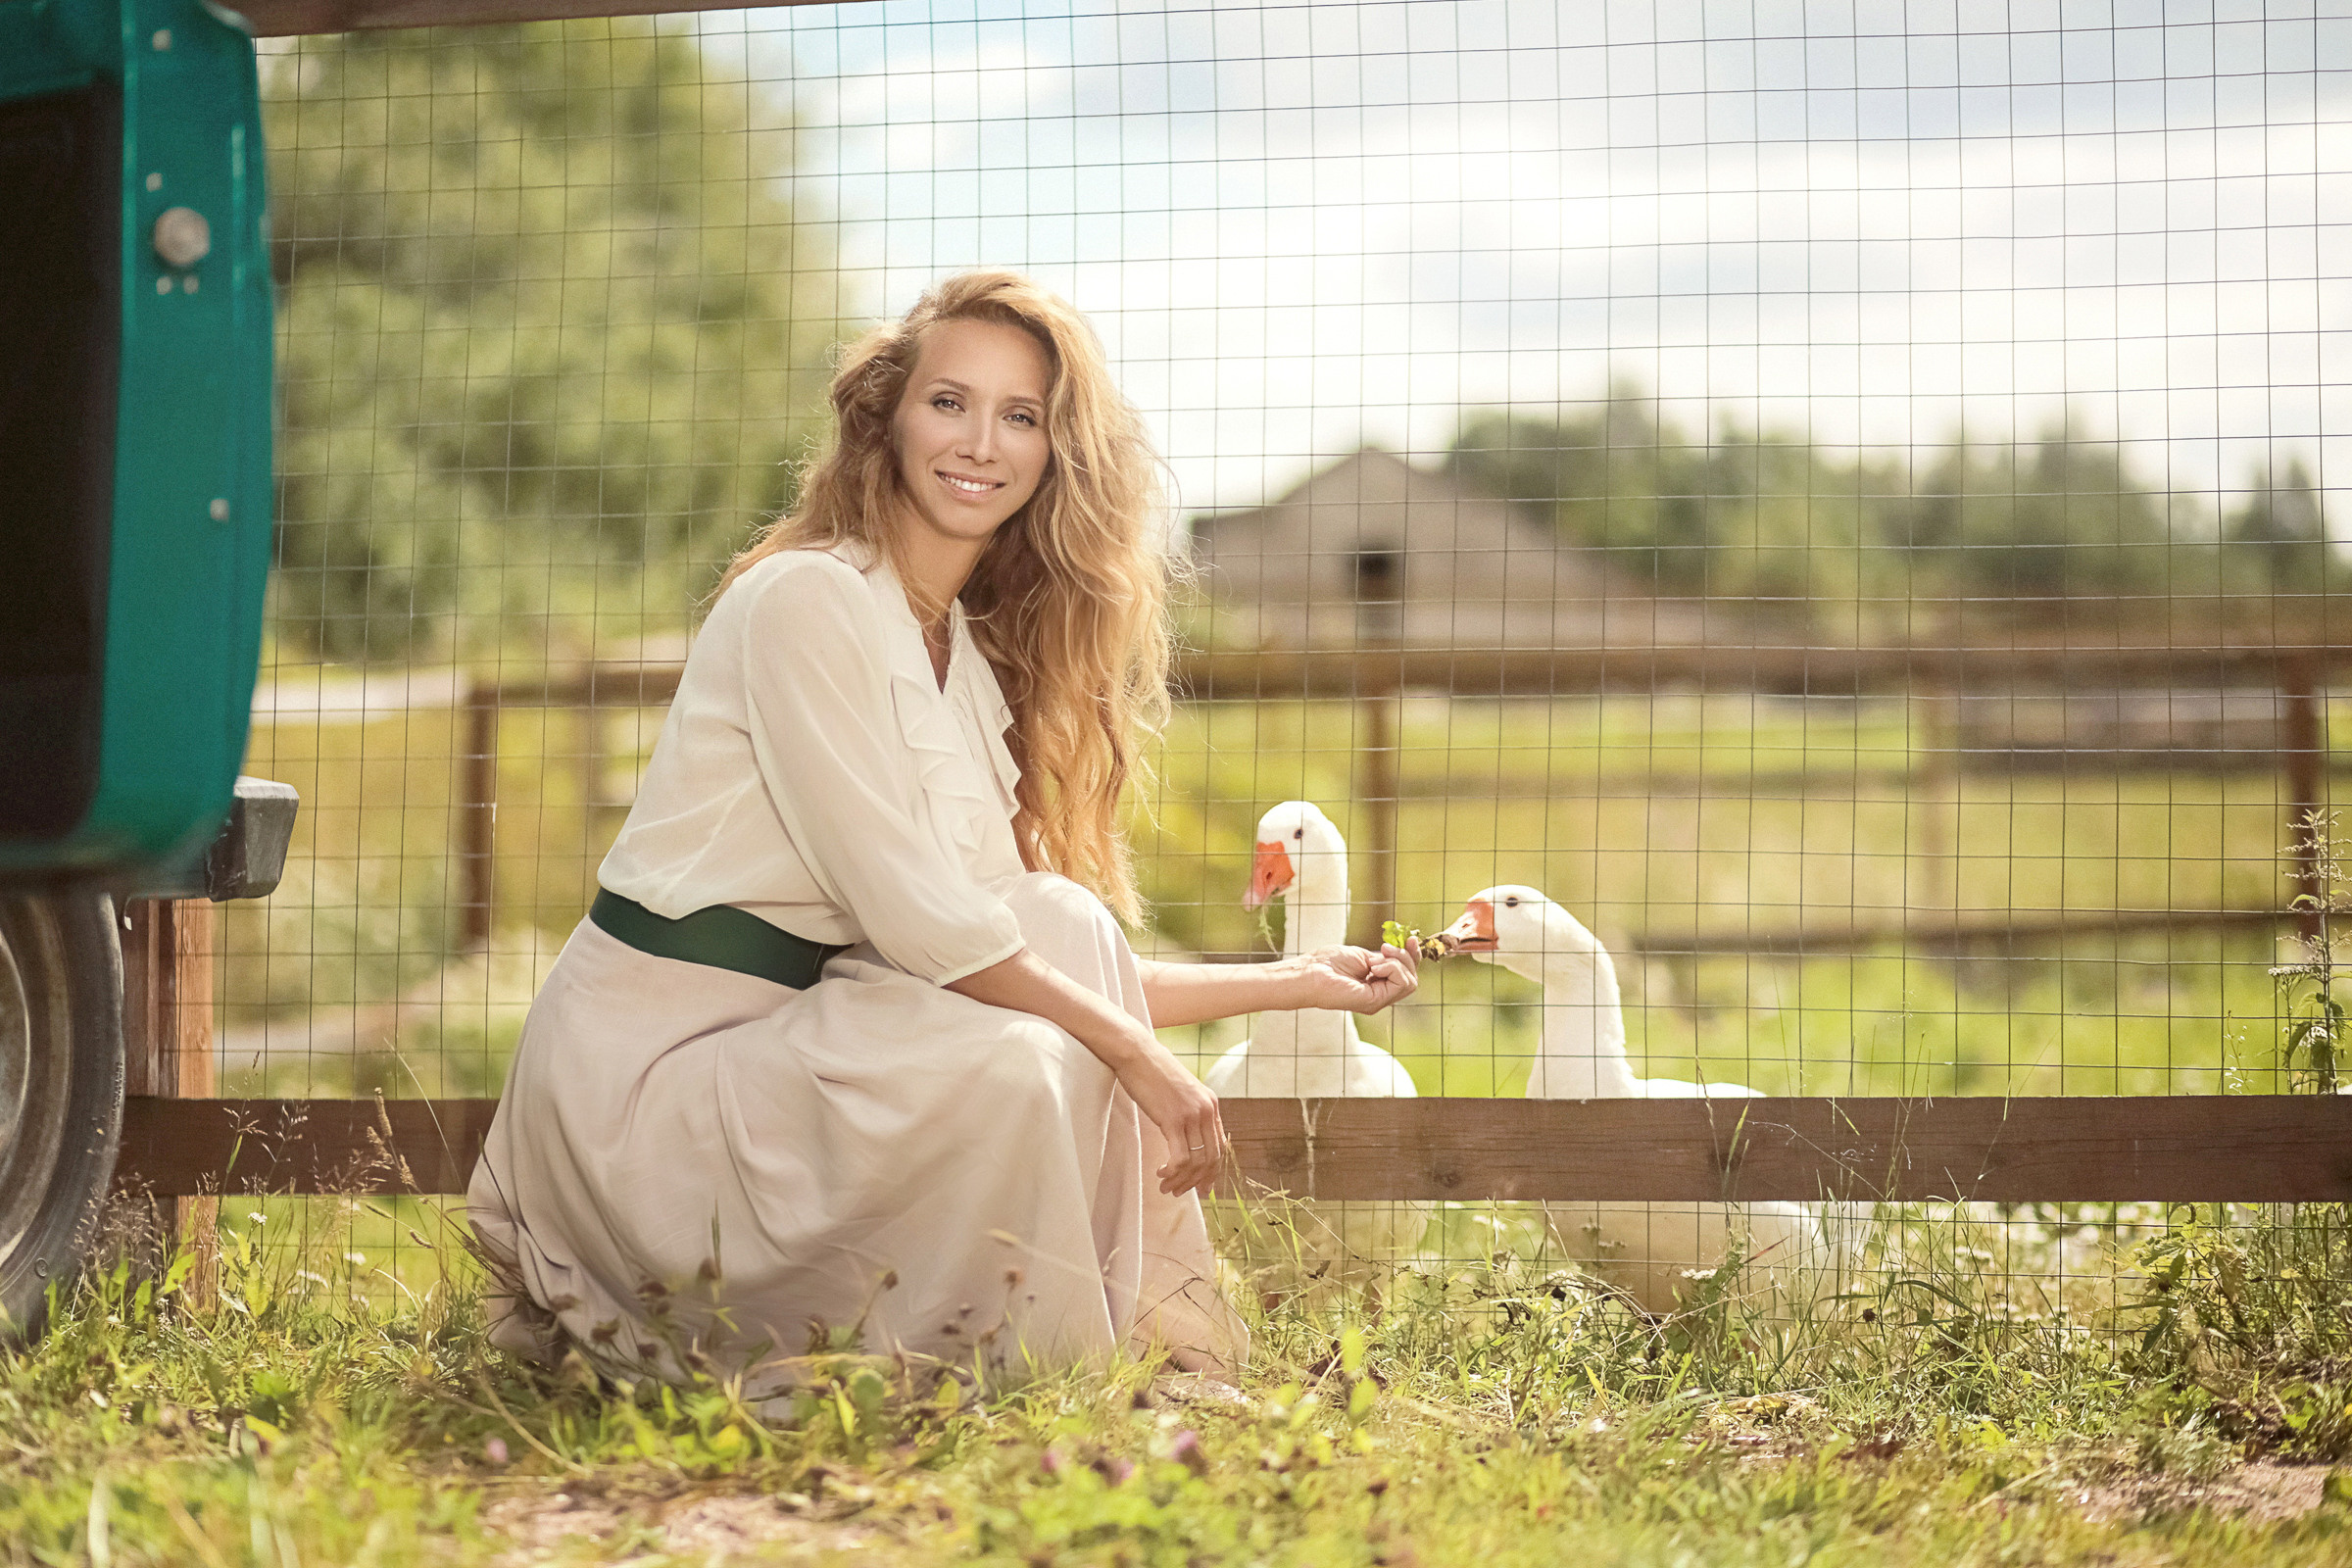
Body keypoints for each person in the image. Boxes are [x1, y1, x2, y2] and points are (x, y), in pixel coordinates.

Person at [466, 271, 1419, 1392]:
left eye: (1021, 416)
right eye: (950, 402)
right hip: (650, 1091)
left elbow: (1021, 952)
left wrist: (1294, 980)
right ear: (888, 418)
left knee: (1058, 916)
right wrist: (1140, 1058)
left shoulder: (955, 656)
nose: (981, 443)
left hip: (796, 1051)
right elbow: (925, 926)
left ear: (1056, 454)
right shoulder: (805, 601)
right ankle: (1063, 1369)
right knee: (1028, 1062)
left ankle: (1160, 1351)